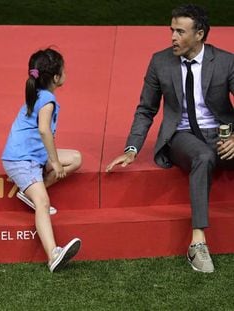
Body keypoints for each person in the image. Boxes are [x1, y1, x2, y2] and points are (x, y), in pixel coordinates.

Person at [106, 4, 234, 273]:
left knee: (212, 150)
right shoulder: (160, 61)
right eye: (172, 30)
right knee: (203, 156)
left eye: (180, 31)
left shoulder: (225, 61)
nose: (172, 37)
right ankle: (197, 243)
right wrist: (132, 148)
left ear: (199, 35)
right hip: (181, 136)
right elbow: (146, 109)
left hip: (222, 133)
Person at [2, 48, 82, 272]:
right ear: (56, 77)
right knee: (43, 204)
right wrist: (55, 162)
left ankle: (31, 192)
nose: (66, 72)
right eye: (63, 70)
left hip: (34, 156)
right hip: (21, 160)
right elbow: (45, 130)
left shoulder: (38, 93)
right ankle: (53, 254)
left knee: (76, 159)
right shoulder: (47, 99)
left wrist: (54, 159)